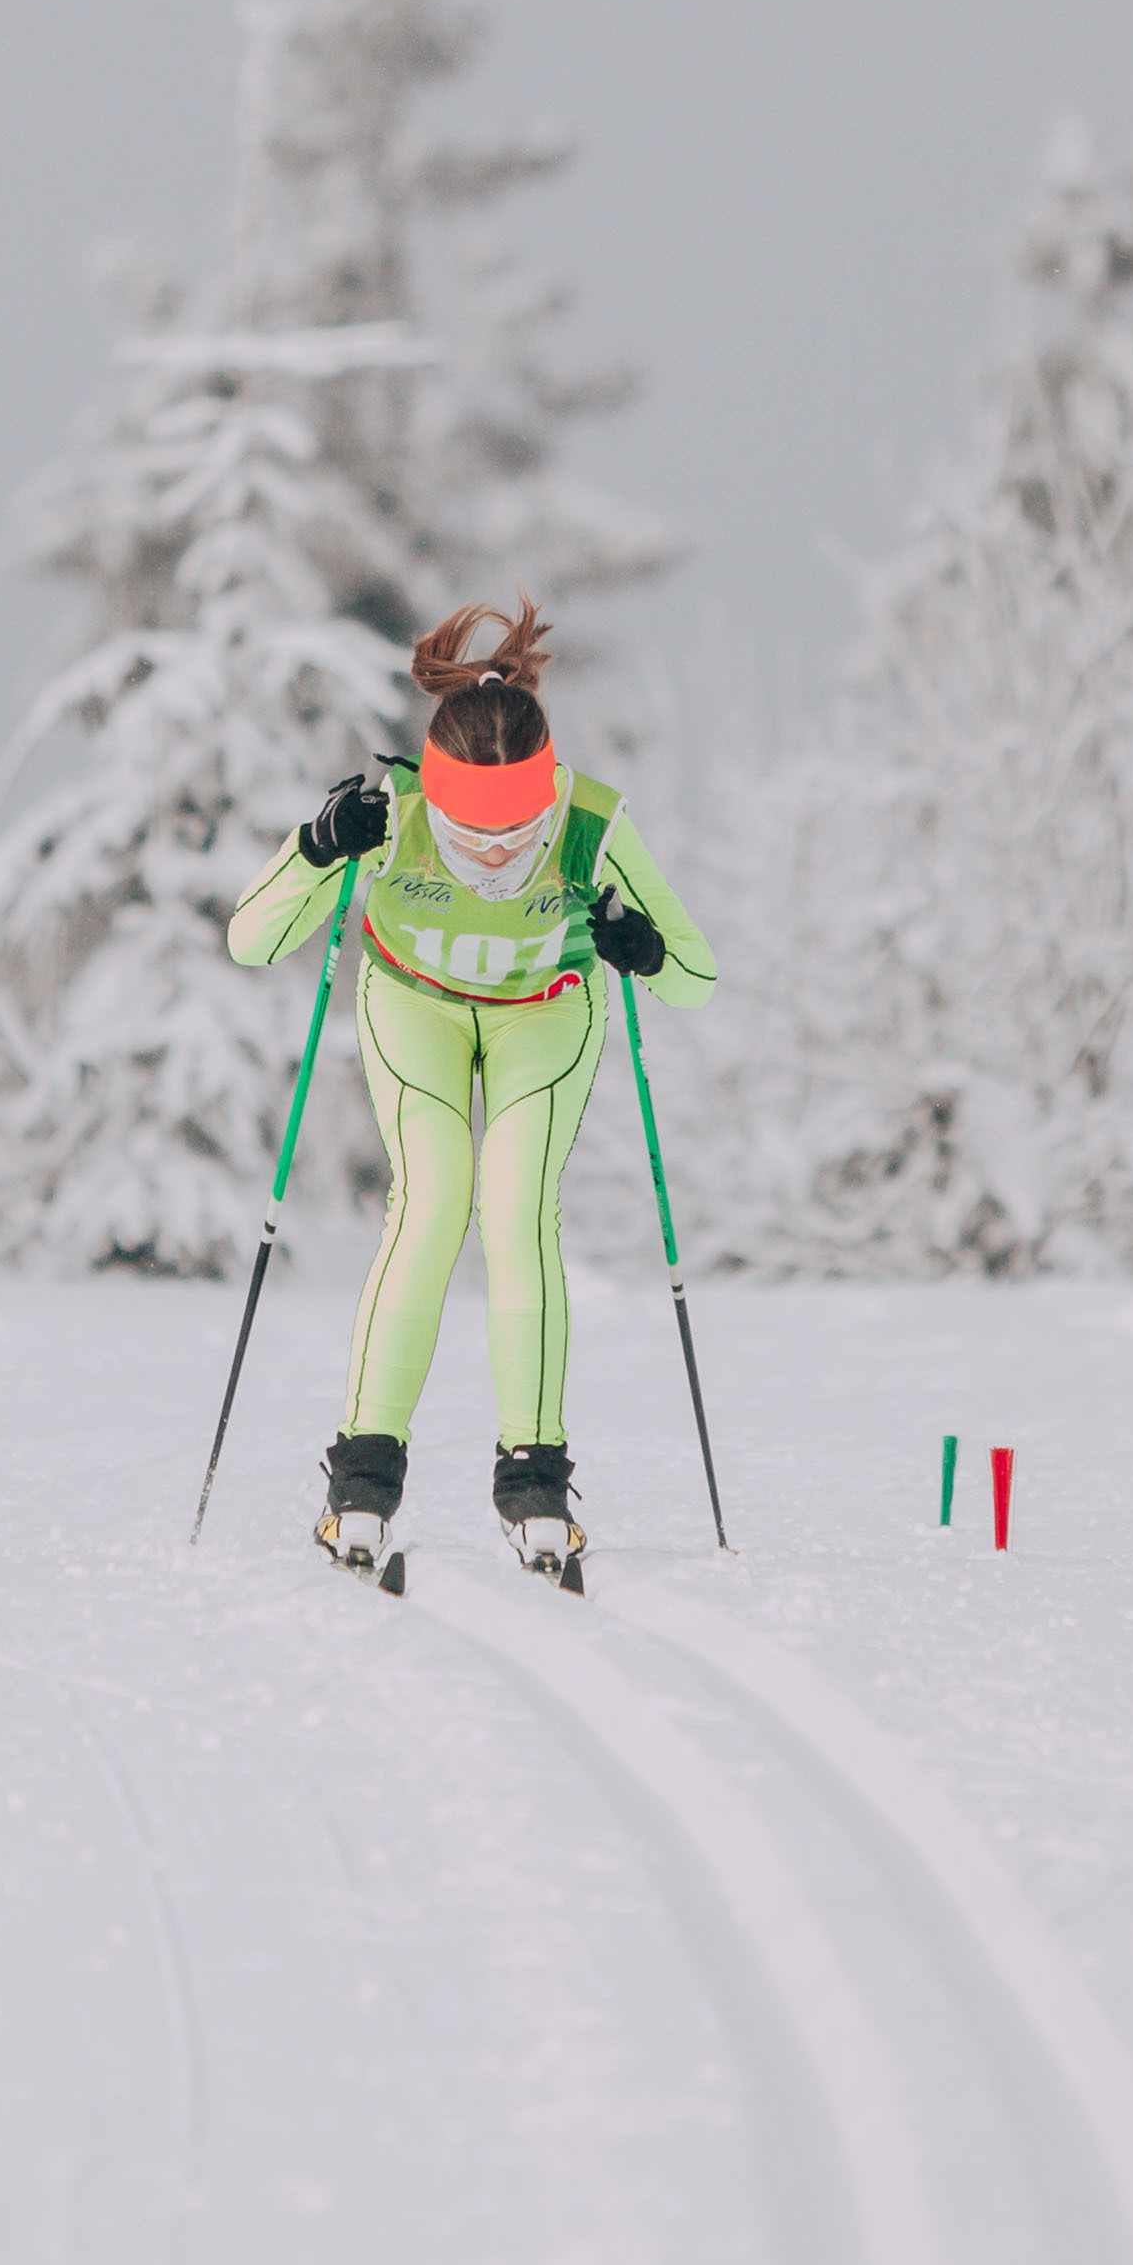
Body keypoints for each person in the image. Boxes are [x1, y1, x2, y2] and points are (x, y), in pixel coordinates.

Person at [227, 601, 717, 1579]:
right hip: (417, 1010)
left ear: (547, 793)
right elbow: (254, 940)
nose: (494, 853)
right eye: (470, 828)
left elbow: (693, 980)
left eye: (515, 828)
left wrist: (644, 947)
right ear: (435, 794)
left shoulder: (589, 821)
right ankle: (361, 1482)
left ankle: (534, 1480)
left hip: (545, 1014)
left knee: (518, 1208)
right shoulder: (391, 813)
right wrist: (316, 849)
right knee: (432, 1201)